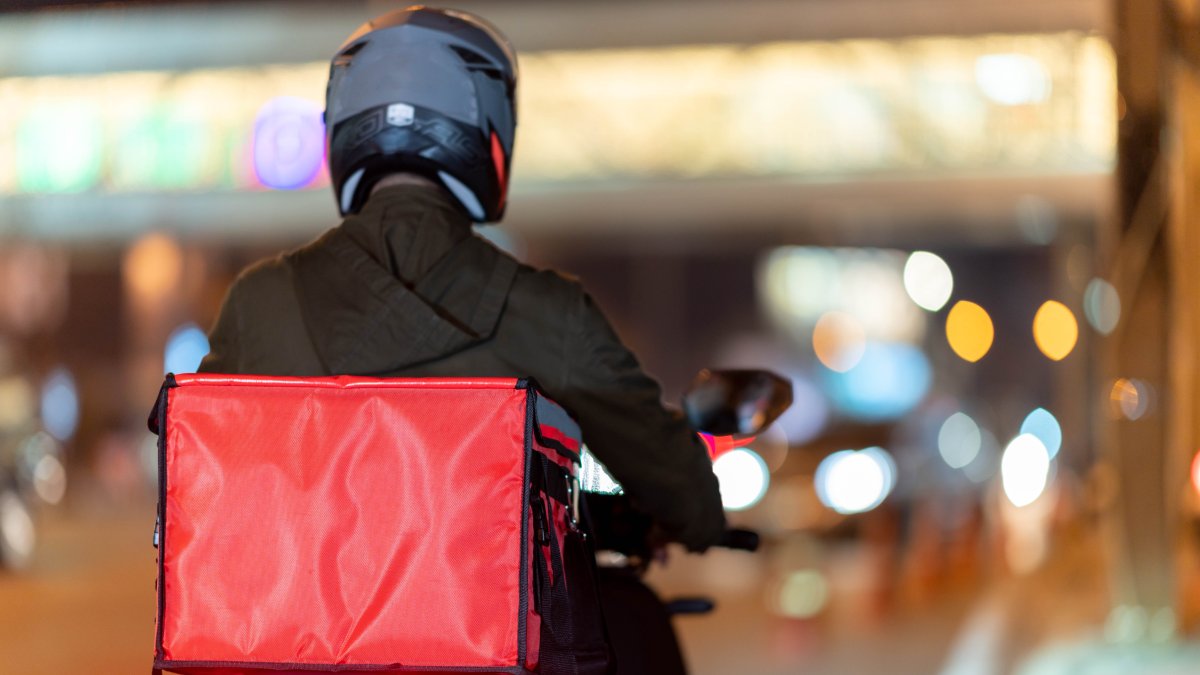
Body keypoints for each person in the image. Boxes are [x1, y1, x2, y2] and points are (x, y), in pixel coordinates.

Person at [200, 4, 722, 572]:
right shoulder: (550, 312)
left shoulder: (260, 301)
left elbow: (209, 480)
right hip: (492, 653)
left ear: (345, 125)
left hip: (294, 646)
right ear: (488, 124)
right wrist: (695, 514)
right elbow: (673, 479)